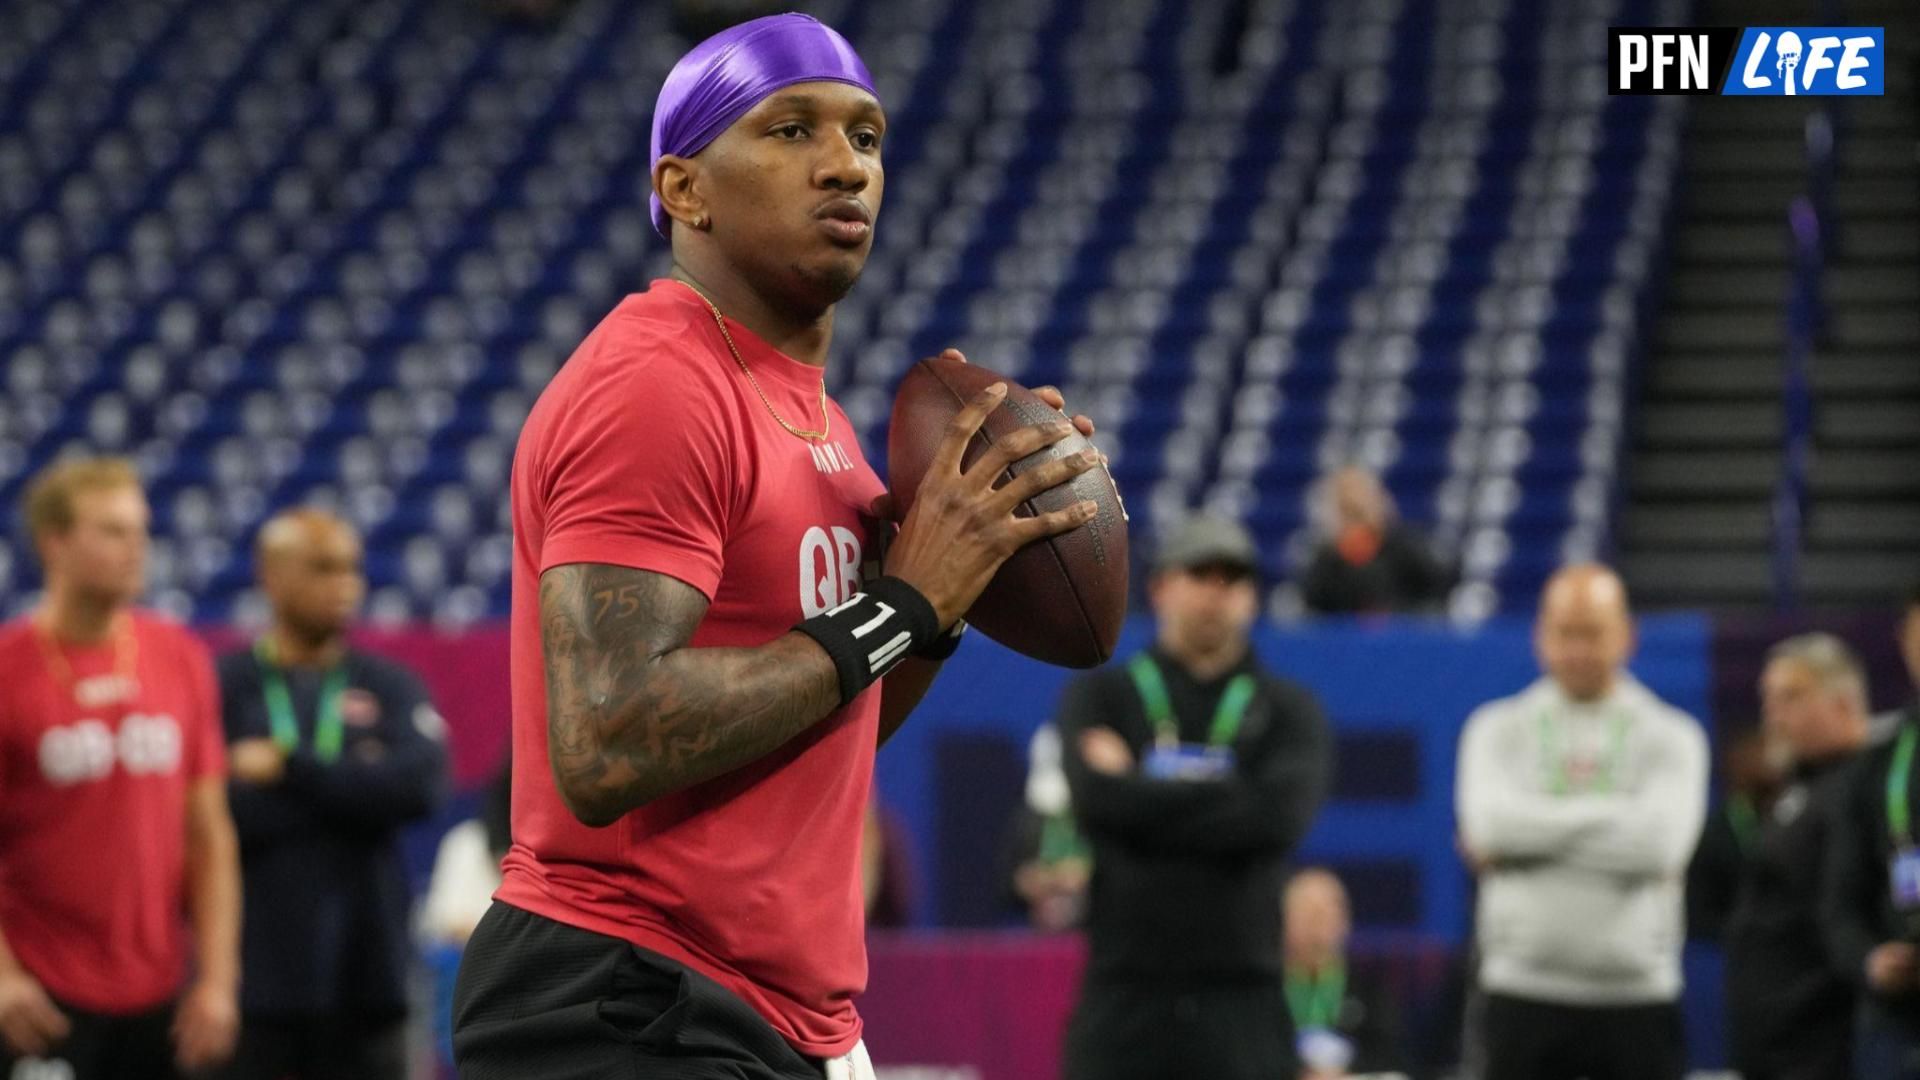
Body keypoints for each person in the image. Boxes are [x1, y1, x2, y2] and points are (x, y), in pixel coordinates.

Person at [450, 14, 1105, 1080]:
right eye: (791, 130)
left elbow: (830, 726)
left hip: (770, 1006)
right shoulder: (656, 387)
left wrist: (935, 604)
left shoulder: (825, 428)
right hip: (627, 996)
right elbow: (607, 745)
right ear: (683, 187)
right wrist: (895, 609)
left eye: (867, 137)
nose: (844, 164)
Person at [1057, 515, 1332, 1080]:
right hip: (1125, 994)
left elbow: (1277, 818)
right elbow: (1095, 799)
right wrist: (1231, 796)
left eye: (1231, 578)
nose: (1216, 591)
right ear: (1160, 587)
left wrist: (1139, 789)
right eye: (1199, 573)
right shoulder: (1103, 695)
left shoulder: (1288, 709)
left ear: (1252, 598)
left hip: (1244, 995)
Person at [0, 456, 240, 1079]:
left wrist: (217, 980)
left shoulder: (179, 657)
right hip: (39, 995)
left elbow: (208, 835)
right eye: (112, 531)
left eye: (141, 530)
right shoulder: (8, 670)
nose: (137, 548)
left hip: (161, 997)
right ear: (55, 541)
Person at [216, 509, 449, 1080]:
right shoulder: (225, 685)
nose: (345, 585)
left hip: (370, 980)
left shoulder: (389, 683)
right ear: (270, 575)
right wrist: (353, 788)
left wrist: (289, 766)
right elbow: (214, 812)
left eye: (352, 569)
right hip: (254, 985)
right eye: (322, 568)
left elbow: (418, 788)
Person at [1455, 563, 1709, 1080]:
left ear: (1627, 636)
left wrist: (1532, 834)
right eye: (1563, 633)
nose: (1576, 650)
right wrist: (1618, 815)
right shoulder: (1494, 729)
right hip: (1518, 990)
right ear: (1539, 637)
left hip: (1638, 994)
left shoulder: (1673, 736)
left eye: (1592, 633)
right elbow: (1490, 828)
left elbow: (1660, 846)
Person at [1726, 634, 1872, 1080]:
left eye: (1791, 696)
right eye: (1767, 698)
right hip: (1772, 1046)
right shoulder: (1797, 790)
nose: (1773, 713)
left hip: (1825, 1048)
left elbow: (1850, 917)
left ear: (1844, 703)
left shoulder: (1866, 789)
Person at [1822, 584, 1920, 1079]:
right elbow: (1840, 900)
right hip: (1898, 1022)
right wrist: (1870, 959)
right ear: (1904, 641)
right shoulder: (1880, 761)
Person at [1284, 867, 1410, 1080]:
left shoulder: (1370, 992)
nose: (1320, 924)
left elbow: (1391, 1057)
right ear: (1285, 921)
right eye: (1310, 914)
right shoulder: (1263, 994)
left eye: (1330, 912)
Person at [1301, 466, 1448, 616]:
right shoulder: (1327, 558)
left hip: (1401, 633)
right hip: (1345, 636)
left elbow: (1435, 586)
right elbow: (1315, 603)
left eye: (1360, 505)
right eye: (1348, 508)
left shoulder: (1403, 547)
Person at [1687, 726, 1781, 942]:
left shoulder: (1798, 814)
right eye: (1756, 753)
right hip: (1733, 948)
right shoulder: (1715, 830)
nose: (1768, 761)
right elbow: (1700, 910)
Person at [1003, 724, 1091, 931]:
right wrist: (1036, 881)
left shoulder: (1098, 816)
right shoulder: (1027, 820)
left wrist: (1084, 876)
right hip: (1043, 942)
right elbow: (1007, 883)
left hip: (1093, 933)